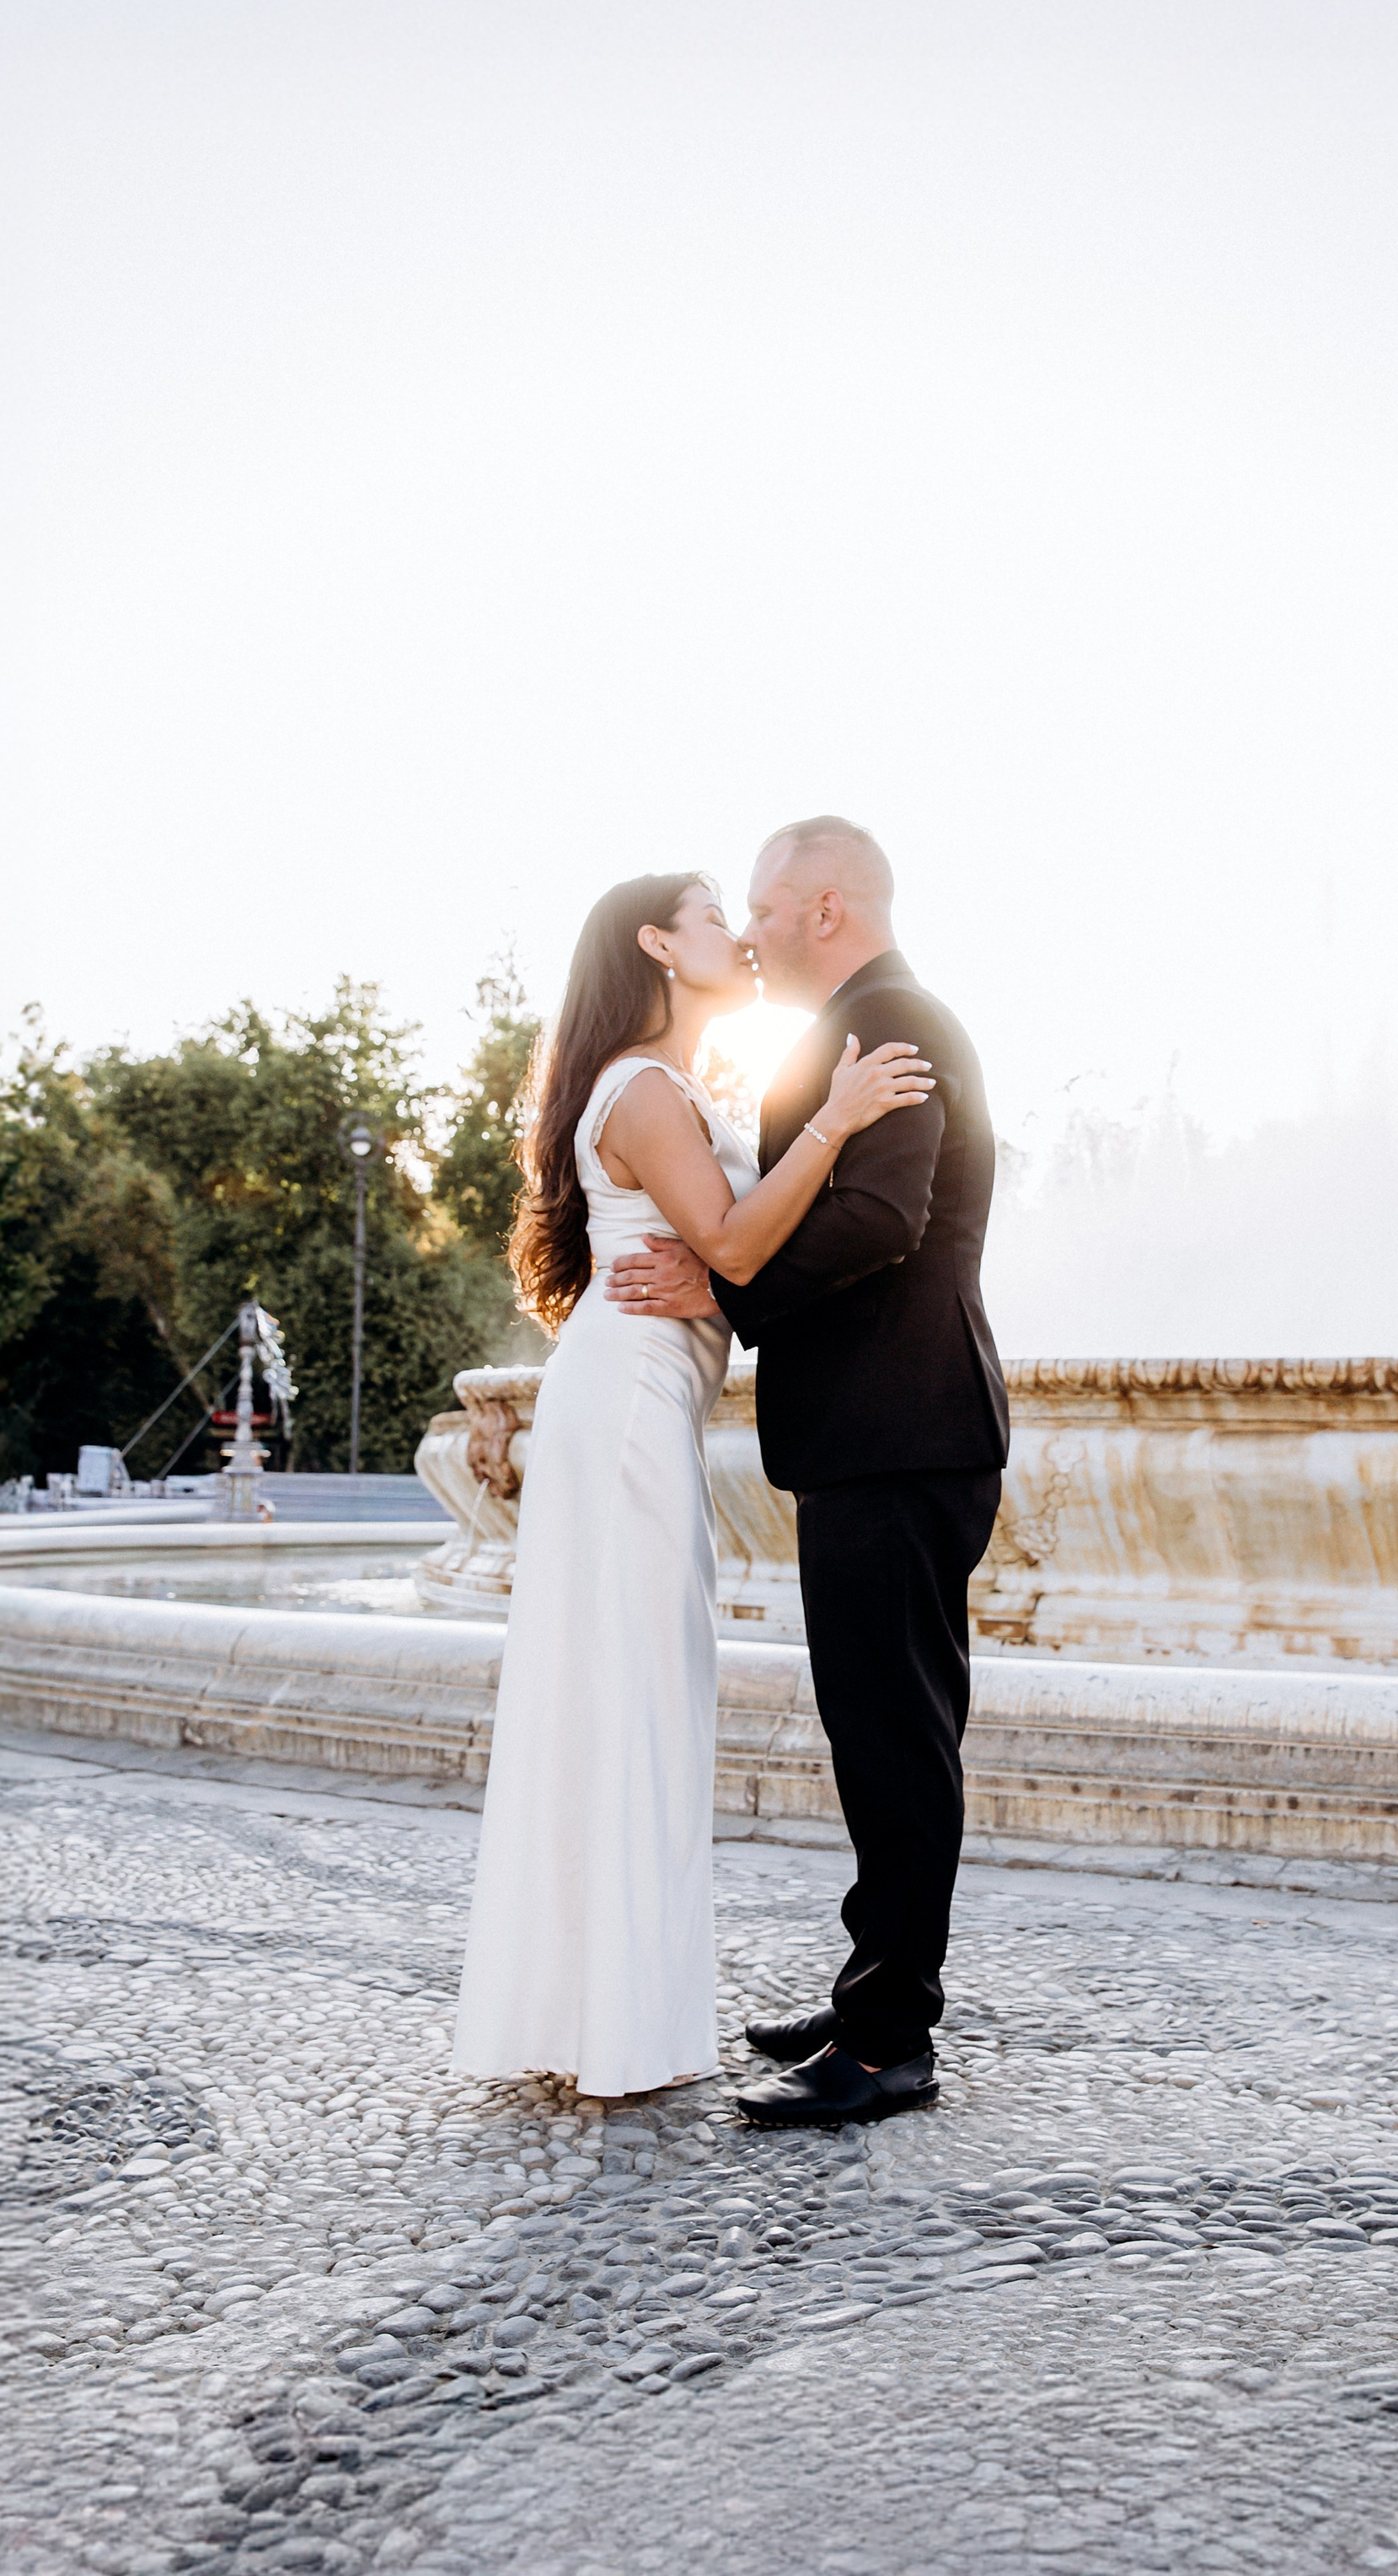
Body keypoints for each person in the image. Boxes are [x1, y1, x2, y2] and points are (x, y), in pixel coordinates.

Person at [451, 870, 934, 2100]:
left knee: (632, 1695)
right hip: (623, 1416)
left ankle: (602, 2013)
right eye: (715, 915)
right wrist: (837, 1118)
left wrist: (726, 1278)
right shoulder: (647, 1087)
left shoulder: (652, 1086)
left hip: (639, 1405)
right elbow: (728, 1241)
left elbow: (718, 1261)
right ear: (660, 944)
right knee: (635, 1697)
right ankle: (614, 2025)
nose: (736, 936)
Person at [604, 817, 1008, 2126]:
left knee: (896, 1738)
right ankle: (869, 1992)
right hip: (882, 1434)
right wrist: (729, 1266)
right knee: (878, 1730)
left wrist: (730, 1270)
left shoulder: (893, 1023)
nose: (758, 936)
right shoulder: (871, 1020)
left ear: (823, 907)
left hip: (904, 1429)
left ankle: (892, 2039)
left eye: (767, 911)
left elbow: (885, 1217)